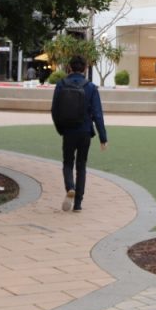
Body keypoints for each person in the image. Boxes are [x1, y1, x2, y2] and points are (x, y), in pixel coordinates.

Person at [51, 56, 108, 212]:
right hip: (84, 131)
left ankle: (70, 187)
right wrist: (103, 137)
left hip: (68, 131)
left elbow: (54, 110)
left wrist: (60, 128)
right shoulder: (91, 87)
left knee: (67, 163)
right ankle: (78, 204)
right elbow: (97, 114)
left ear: (69, 68)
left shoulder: (61, 85)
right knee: (81, 166)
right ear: (85, 68)